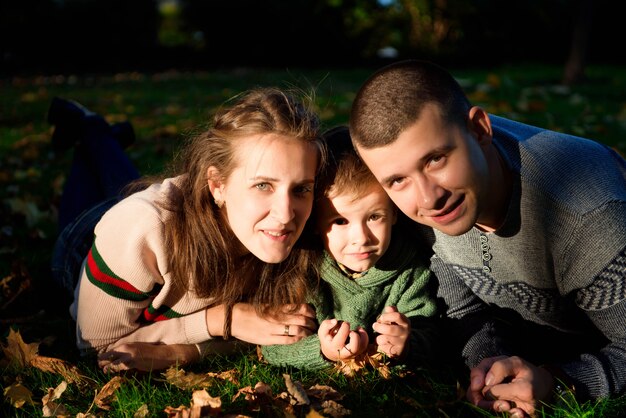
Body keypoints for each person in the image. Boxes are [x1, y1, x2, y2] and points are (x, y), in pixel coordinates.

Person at [349, 59, 626, 416]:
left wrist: (559, 381)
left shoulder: (586, 216)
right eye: (397, 180)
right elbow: (464, 308)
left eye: (435, 159)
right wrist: (488, 365)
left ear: (480, 129)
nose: (428, 198)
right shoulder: (413, 206)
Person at [48, 88, 325, 373]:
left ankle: (100, 135)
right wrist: (222, 320)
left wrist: (186, 349)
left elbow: (264, 332)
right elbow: (99, 349)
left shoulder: (311, 227)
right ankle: (92, 129)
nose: (286, 214)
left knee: (125, 183)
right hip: (88, 241)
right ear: (218, 185)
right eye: (263, 185)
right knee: (104, 193)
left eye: (301, 188)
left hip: (159, 204)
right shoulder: (142, 229)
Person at [261, 126, 438, 371]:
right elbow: (273, 347)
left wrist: (407, 344)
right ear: (315, 222)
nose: (361, 238)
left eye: (375, 217)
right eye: (340, 221)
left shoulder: (409, 271)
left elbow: (435, 335)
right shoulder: (304, 270)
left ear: (394, 212)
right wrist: (321, 351)